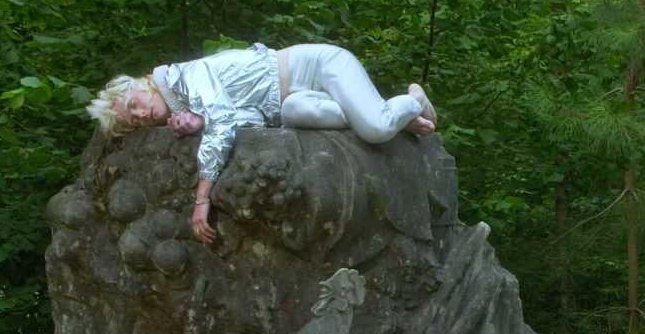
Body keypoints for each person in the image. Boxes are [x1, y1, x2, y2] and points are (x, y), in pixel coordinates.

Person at [85, 43, 438, 245]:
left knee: (374, 129)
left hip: (319, 66)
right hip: (294, 100)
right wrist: (202, 122)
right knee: (295, 112)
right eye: (133, 120)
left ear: (143, 85)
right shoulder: (187, 104)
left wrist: (202, 198)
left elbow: (223, 124)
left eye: (134, 104)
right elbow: (249, 119)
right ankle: (388, 115)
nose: (141, 115)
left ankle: (410, 103)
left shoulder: (185, 76)